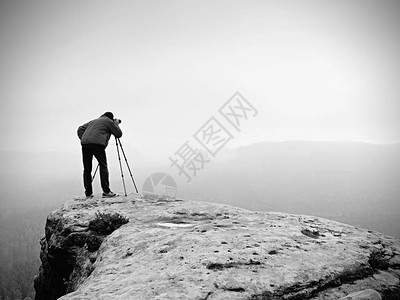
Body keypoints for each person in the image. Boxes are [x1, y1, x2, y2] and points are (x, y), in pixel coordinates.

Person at [77, 112, 122, 198]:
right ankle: (106, 192)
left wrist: (83, 138)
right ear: (110, 118)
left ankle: (88, 193)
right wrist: (115, 124)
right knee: (103, 165)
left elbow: (80, 129)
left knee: (87, 168)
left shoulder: (93, 121)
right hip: (97, 145)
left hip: (85, 144)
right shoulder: (109, 122)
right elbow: (119, 134)